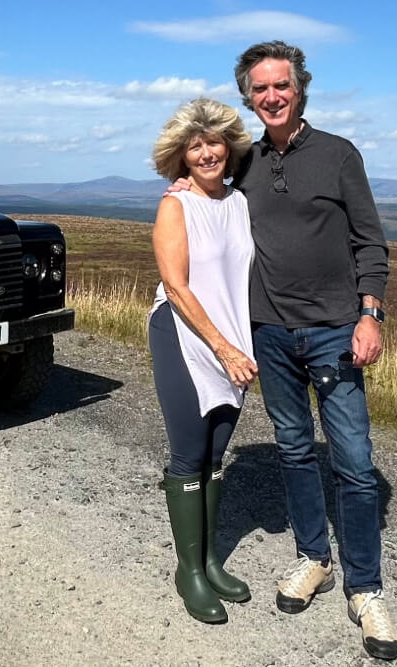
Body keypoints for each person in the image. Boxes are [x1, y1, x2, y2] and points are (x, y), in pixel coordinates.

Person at [171, 41, 397, 659]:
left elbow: (370, 242)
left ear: (300, 88)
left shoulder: (338, 154)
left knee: (354, 461)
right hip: (268, 332)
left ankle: (365, 589)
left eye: (282, 85)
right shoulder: (242, 159)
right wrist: (182, 186)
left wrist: (370, 315)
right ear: (248, 97)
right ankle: (313, 558)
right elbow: (206, 188)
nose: (272, 96)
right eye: (260, 88)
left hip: (335, 330)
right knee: (295, 450)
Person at [148, 97, 257, 624]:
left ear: (229, 148)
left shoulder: (240, 202)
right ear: (182, 156)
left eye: (214, 142)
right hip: (186, 337)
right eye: (195, 146)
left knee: (216, 455)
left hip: (232, 342)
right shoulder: (176, 206)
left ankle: (211, 561)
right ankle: (188, 571)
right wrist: (223, 347)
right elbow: (176, 286)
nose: (207, 153)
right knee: (189, 455)